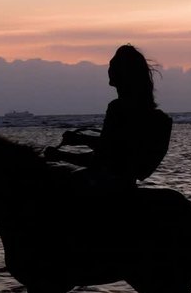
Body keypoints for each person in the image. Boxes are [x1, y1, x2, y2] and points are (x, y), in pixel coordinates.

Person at [44, 44, 172, 191]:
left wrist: (61, 154)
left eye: (112, 65)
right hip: (127, 183)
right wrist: (80, 140)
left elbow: (105, 155)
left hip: (107, 185)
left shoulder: (118, 108)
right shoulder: (145, 111)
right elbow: (113, 147)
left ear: (121, 72)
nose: (109, 69)